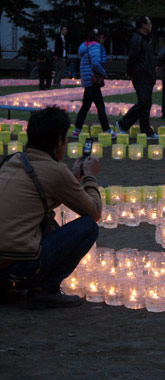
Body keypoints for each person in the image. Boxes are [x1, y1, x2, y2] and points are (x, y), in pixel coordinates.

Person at [0, 106, 101, 309]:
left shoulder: (11, 161)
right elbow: (94, 211)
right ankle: (46, 289)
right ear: (59, 142)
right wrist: (89, 176)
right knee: (88, 226)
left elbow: (41, 194)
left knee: (47, 219)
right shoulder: (55, 172)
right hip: (20, 270)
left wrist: (73, 177)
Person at [116, 16, 158, 139]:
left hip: (148, 76)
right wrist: (129, 72)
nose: (151, 25)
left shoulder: (145, 40)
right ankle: (123, 123)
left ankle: (146, 130)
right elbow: (132, 58)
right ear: (143, 25)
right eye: (149, 23)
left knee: (147, 104)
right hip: (140, 76)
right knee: (143, 102)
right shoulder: (137, 40)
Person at [73, 28, 113, 137]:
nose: (104, 40)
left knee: (86, 105)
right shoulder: (95, 46)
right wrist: (103, 73)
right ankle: (107, 130)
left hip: (87, 78)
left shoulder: (85, 46)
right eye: (104, 37)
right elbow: (95, 63)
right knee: (100, 106)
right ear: (100, 37)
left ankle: (77, 130)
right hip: (92, 79)